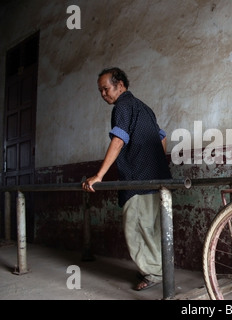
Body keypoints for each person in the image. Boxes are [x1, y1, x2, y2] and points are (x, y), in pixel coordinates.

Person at [82, 67, 172, 291]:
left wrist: (99, 175)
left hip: (138, 179)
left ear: (120, 84)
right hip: (158, 178)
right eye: (100, 91)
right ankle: (161, 269)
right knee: (154, 228)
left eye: (106, 88)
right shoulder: (144, 107)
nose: (103, 94)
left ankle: (153, 273)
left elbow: (119, 139)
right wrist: (159, 165)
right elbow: (162, 137)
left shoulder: (122, 105)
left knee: (136, 227)